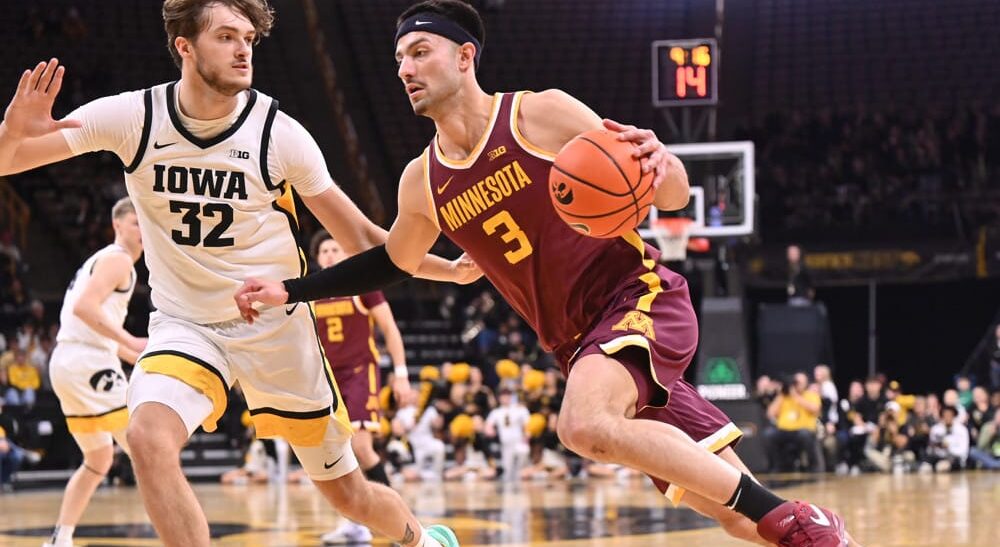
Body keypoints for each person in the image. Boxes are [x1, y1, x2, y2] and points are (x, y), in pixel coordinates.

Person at [236, 1, 854, 544]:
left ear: (465, 57)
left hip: (636, 296)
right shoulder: (422, 181)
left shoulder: (539, 115)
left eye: (420, 51)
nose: (405, 69)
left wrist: (661, 163)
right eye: (399, 58)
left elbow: (671, 196)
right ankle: (808, 529)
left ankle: (793, 515)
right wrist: (294, 289)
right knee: (737, 517)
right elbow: (392, 260)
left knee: (583, 425)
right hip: (576, 346)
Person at [0, 1, 474, 545]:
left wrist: (447, 271)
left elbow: (363, 241)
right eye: (226, 37)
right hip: (187, 325)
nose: (243, 49)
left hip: (276, 330)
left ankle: (421, 539)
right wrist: (12, 132)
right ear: (185, 46)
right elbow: (8, 161)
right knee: (147, 438)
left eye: (248, 38)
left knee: (349, 495)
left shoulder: (279, 134)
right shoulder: (135, 117)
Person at [44, 197, 146, 547]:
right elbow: (85, 308)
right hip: (87, 362)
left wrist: (137, 354)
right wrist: (131, 339)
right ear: (117, 225)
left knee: (99, 458)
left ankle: (60, 539)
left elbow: (94, 327)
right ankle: (182, 536)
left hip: (70, 360)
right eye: (136, 222)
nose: (143, 228)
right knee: (147, 448)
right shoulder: (119, 260)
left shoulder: (103, 259)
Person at [309, 230, 413, 545]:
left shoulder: (362, 286)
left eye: (335, 249)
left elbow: (390, 329)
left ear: (345, 254)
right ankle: (355, 525)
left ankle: (400, 522)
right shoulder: (311, 292)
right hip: (327, 379)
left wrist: (401, 373)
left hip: (359, 373)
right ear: (317, 258)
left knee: (361, 448)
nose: (329, 254)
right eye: (324, 250)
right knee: (335, 454)